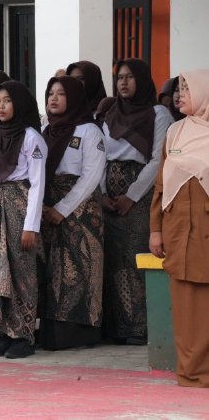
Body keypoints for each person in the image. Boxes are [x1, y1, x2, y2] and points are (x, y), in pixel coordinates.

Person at [100, 58, 174, 345]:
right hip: (110, 191)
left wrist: (132, 195)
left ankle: (138, 327)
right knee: (112, 259)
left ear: (142, 80)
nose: (123, 83)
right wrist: (103, 194)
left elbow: (158, 159)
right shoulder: (110, 114)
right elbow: (102, 157)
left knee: (135, 257)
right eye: (120, 77)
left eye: (130, 77)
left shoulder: (159, 114)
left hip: (140, 192)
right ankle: (115, 326)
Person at [0, 80, 45, 359]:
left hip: (19, 207)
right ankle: (3, 333)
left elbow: (38, 184)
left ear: (20, 103)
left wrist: (31, 226)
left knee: (22, 272)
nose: (1, 106)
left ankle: (23, 335)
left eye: (7, 101)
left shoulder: (31, 138)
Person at [149, 69, 209, 388]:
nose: (180, 93)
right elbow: (161, 185)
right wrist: (155, 230)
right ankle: (190, 373)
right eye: (179, 87)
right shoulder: (175, 132)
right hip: (178, 231)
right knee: (185, 307)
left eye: (187, 87)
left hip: (205, 229)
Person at [39, 76, 106, 350]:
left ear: (75, 98)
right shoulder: (46, 130)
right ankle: (52, 334)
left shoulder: (89, 131)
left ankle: (79, 334)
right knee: (53, 271)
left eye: (61, 94)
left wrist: (63, 209)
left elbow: (91, 176)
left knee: (80, 269)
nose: (53, 99)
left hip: (80, 211)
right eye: (50, 93)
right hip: (48, 208)